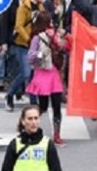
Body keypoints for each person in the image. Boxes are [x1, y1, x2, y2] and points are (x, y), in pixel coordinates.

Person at [0, 104, 64, 171]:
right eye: (30, 119)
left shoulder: (47, 144)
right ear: (23, 121)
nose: (34, 122)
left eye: (36, 118)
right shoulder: (15, 144)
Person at [25, 12, 68, 147]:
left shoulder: (38, 38)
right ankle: (56, 135)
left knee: (44, 106)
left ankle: (32, 128)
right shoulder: (47, 36)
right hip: (50, 73)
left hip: (44, 73)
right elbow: (64, 48)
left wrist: (40, 54)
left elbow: (30, 57)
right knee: (54, 107)